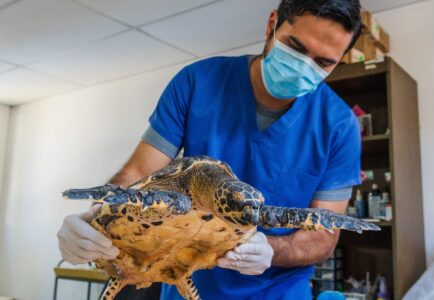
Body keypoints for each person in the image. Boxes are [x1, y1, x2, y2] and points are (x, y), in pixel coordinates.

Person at [57, 0, 363, 299]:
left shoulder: (339, 125)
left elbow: (323, 234)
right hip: (185, 278)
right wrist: (98, 219)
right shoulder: (197, 82)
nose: (302, 67)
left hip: (278, 290)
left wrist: (270, 249)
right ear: (272, 25)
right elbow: (138, 174)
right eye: (295, 47)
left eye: (323, 62)